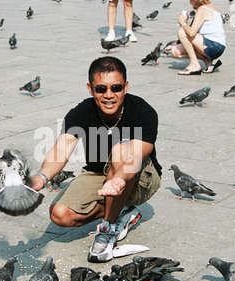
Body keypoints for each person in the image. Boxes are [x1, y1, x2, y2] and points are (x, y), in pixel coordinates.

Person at [31, 56, 162, 263]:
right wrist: (41, 176)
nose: (109, 95)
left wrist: (119, 179)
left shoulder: (143, 112)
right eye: (101, 89)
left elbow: (135, 157)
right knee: (59, 214)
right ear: (90, 89)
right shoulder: (81, 112)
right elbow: (61, 150)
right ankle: (121, 210)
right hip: (97, 173)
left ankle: (108, 229)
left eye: (116, 88)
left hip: (138, 176)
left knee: (120, 150)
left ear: (125, 87)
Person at [165, 0, 226, 75]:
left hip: (213, 45)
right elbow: (193, 32)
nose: (190, 3)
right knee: (175, 51)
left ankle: (194, 65)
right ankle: (207, 61)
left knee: (182, 32)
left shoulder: (202, 9)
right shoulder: (210, 7)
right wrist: (175, 44)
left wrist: (183, 22)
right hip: (217, 46)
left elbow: (191, 33)